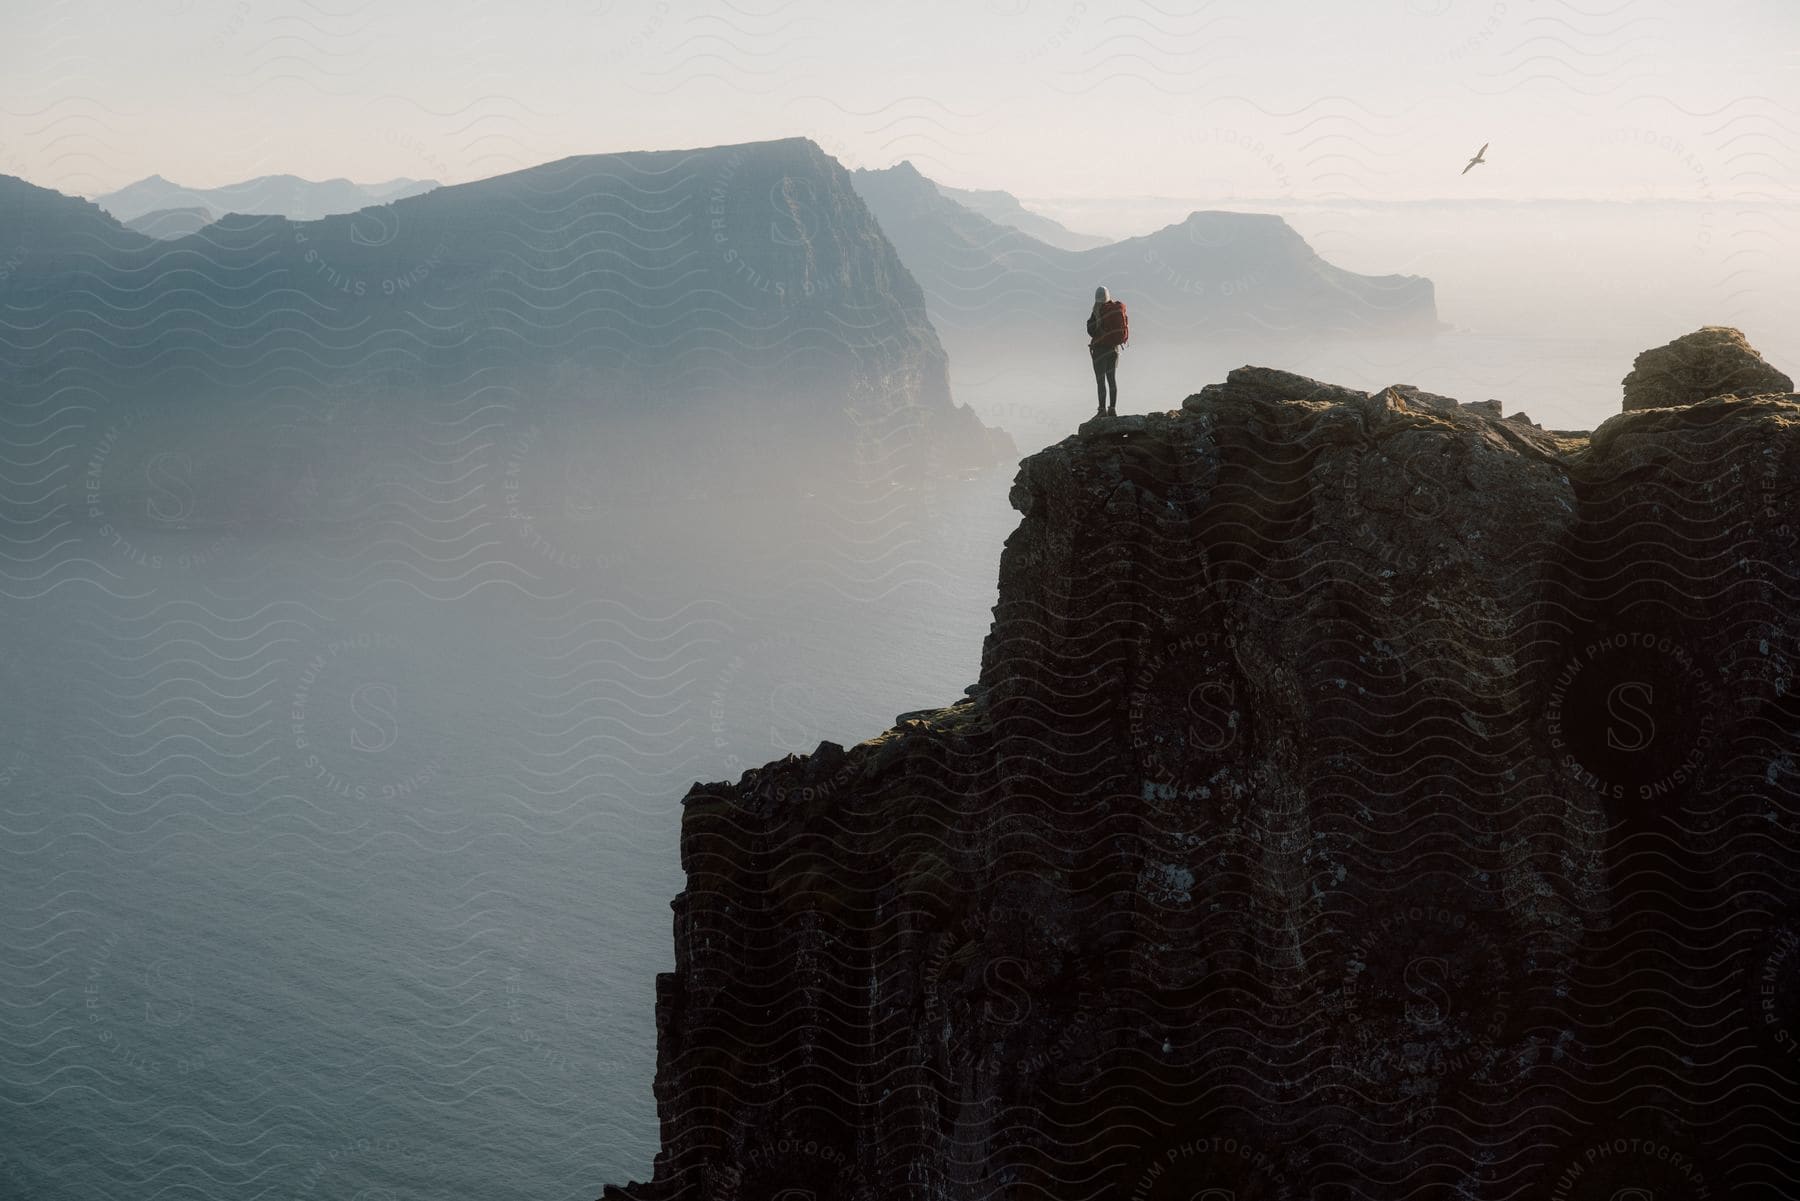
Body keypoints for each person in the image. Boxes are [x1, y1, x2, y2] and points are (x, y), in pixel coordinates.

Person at [1086, 285, 1128, 417]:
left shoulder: (1097, 311)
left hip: (1100, 351)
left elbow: (1091, 330)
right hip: (1114, 350)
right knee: (1112, 379)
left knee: (1100, 380)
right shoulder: (1117, 309)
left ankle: (1102, 410)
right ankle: (1112, 409)